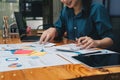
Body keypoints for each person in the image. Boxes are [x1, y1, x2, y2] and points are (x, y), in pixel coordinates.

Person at [40, 0, 114, 49]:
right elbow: (59, 30)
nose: (64, 1)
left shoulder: (97, 9)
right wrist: (53, 30)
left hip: (94, 59)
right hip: (72, 56)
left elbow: (110, 40)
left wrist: (96, 42)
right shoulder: (65, 11)